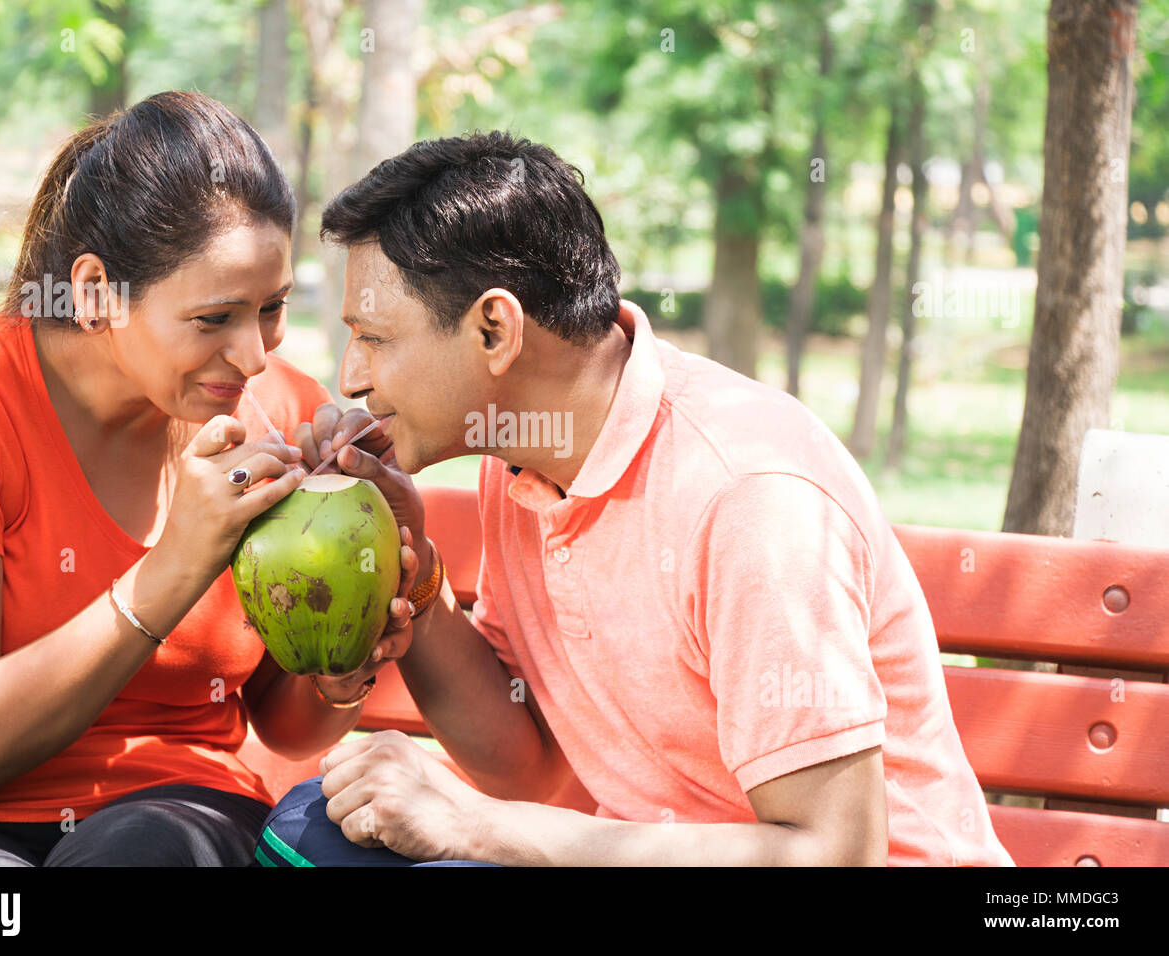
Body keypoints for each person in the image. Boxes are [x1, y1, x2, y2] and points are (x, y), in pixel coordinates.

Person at [256, 131, 1017, 866]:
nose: (351, 375)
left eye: (375, 338)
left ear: (495, 330)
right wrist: (411, 574)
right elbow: (525, 768)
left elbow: (835, 851)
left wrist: (479, 829)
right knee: (313, 829)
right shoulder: (524, 458)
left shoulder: (748, 498)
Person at [0, 90, 419, 867]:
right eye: (214, 318)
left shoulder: (278, 412)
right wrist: (176, 565)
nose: (256, 355)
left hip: (171, 814)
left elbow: (285, 726)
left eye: (273, 307)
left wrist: (343, 664)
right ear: (94, 292)